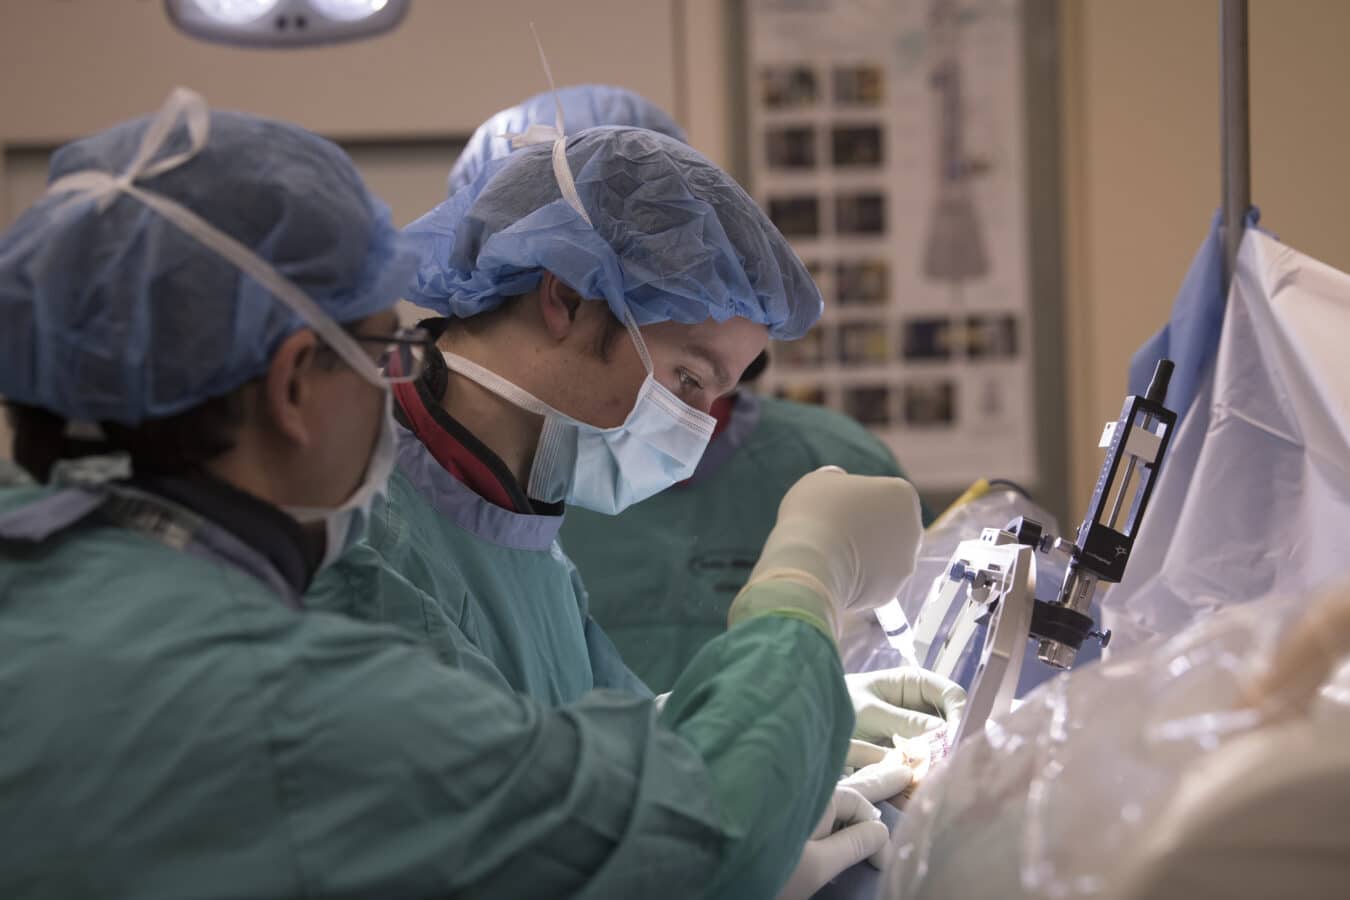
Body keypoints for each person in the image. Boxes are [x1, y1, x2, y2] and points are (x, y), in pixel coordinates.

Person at [0, 89, 920, 899]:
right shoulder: (283, 665)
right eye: (376, 352)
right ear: (291, 387)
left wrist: (747, 723)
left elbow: (527, 741)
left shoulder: (62, 572)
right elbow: (701, 839)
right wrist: (800, 587)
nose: (396, 388)